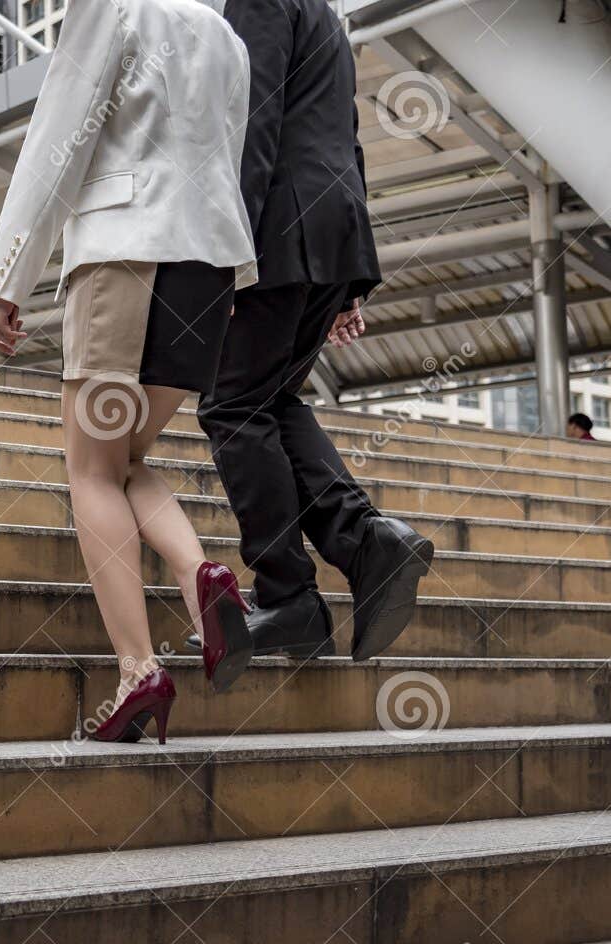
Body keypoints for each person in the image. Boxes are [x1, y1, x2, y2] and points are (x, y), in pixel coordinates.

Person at [0, 0, 259, 744]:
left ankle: (138, 672)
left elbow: (59, 136)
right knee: (125, 459)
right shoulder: (227, 37)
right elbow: (232, 157)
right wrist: (238, 275)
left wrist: (11, 272)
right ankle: (203, 575)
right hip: (207, 268)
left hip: (124, 251)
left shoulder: (111, 5)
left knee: (90, 470)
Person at [194, 0, 432, 663]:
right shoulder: (328, 14)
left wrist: (227, 248)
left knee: (233, 406)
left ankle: (291, 591)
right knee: (270, 400)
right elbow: (345, 135)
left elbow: (253, 116)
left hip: (280, 228)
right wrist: (348, 279)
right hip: (328, 226)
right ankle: (362, 540)